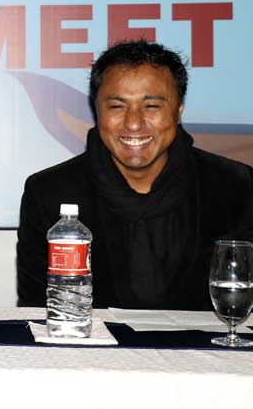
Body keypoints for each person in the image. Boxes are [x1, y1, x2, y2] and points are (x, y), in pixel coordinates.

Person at [17, 40, 253, 310]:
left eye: (151, 106)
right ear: (97, 111)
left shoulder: (234, 186)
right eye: (117, 107)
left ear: (178, 112)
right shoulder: (49, 192)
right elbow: (37, 307)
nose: (133, 123)